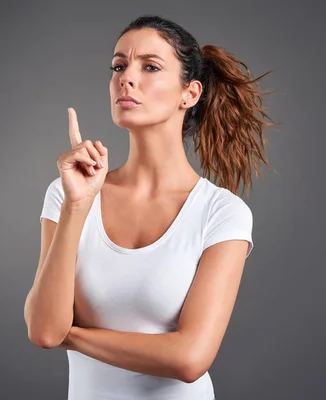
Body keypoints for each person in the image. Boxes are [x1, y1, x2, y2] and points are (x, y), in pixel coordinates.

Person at [24, 14, 275, 400]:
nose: (127, 77)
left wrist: (69, 335)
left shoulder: (222, 212)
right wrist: (78, 205)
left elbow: (190, 358)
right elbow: (42, 331)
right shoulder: (68, 192)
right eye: (119, 66)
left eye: (150, 67)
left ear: (189, 94)